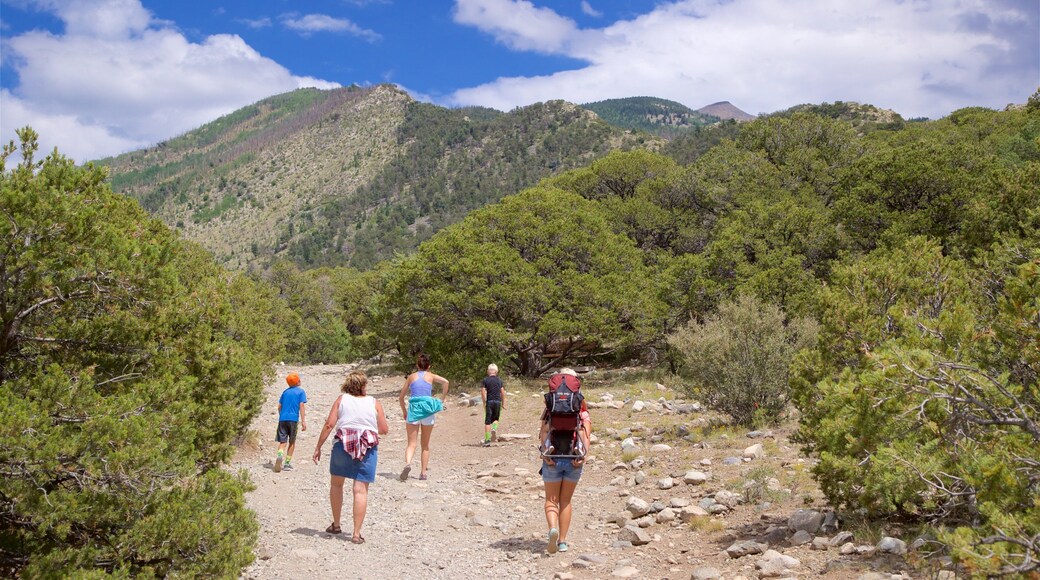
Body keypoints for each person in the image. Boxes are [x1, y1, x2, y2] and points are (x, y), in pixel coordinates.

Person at [312, 370, 389, 544]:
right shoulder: (374, 402)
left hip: (343, 444)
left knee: (336, 484)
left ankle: (336, 524)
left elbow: (329, 425)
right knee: (360, 490)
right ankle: (356, 533)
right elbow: (384, 429)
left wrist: (318, 447)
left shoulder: (341, 400)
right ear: (363, 385)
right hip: (366, 447)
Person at [537, 368, 591, 554]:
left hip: (552, 458)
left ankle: (552, 529)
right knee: (566, 501)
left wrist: (545, 454)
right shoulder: (581, 411)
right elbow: (585, 435)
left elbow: (544, 432)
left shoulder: (549, 409)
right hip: (573, 458)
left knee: (551, 500)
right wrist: (582, 456)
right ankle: (562, 542)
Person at [398, 353, 449, 481]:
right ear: (429, 366)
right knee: (425, 445)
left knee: (411, 444)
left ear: (417, 365)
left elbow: (401, 396)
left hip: (414, 411)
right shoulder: (431, 376)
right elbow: (446, 382)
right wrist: (441, 399)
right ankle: (423, 473)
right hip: (428, 411)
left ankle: (408, 463)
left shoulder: (411, 377)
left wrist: (404, 411)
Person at [274, 372, 307, 472]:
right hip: (293, 420)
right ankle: (287, 464)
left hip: (282, 419)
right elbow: (301, 406)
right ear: (297, 382)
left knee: (282, 441)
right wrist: (303, 421)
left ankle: (280, 455)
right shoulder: (301, 392)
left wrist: (282, 416)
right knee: (292, 442)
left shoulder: (285, 392)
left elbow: (279, 407)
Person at [480, 363, 506, 447]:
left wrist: (484, 402)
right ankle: (494, 428)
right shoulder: (499, 380)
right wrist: (503, 403)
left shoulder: (485, 380)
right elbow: (502, 392)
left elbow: (483, 392)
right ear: (496, 371)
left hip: (490, 401)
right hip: (498, 401)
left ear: (488, 371)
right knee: (496, 418)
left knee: (487, 422)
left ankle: (487, 440)